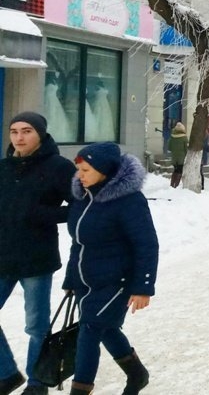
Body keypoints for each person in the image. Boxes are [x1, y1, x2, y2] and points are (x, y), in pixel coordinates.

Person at [64, 142, 158, 395]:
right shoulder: (84, 197)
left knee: (89, 329)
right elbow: (78, 243)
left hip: (117, 281)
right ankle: (137, 374)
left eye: (86, 170)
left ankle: (80, 391)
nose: (79, 176)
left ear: (104, 171)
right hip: (87, 282)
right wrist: (71, 279)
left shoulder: (129, 200)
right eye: (78, 170)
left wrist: (143, 286)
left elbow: (146, 243)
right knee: (105, 328)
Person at [0, 112, 76, 395]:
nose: (19, 137)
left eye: (27, 131)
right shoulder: (4, 167)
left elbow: (80, 205)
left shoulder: (59, 167)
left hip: (36, 258)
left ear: (40, 134)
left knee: (36, 325)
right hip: (3, 256)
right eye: (14, 131)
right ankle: (7, 374)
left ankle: (37, 383)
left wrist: (42, 214)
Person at [167, 121, 187, 188]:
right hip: (182, 158)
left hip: (174, 158)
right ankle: (176, 185)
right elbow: (186, 148)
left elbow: (169, 147)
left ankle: (172, 184)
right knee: (180, 171)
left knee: (175, 170)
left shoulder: (172, 137)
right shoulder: (184, 138)